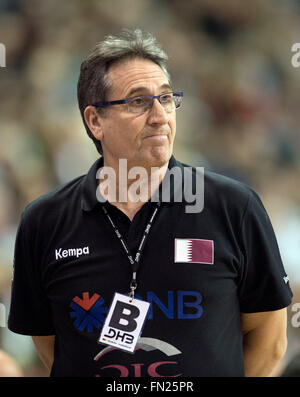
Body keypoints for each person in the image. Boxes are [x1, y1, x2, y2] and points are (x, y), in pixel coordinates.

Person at [8, 29, 293, 377]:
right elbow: (50, 343)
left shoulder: (235, 208)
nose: (160, 116)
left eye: (167, 98)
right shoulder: (45, 221)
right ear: (95, 121)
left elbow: (270, 338)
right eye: (138, 101)